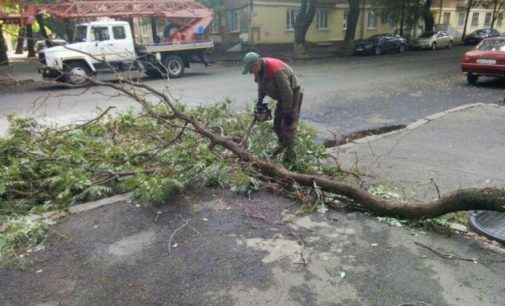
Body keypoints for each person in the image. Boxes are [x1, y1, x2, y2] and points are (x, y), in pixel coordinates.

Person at [241, 52, 303, 157]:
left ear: (256, 65)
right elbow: (261, 87)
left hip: (292, 94)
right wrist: (259, 101)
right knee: (277, 124)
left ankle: (289, 153)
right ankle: (281, 146)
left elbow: (287, 93)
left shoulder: (276, 70)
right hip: (282, 96)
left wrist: (287, 113)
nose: (251, 73)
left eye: (251, 70)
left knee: (287, 125)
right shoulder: (259, 71)